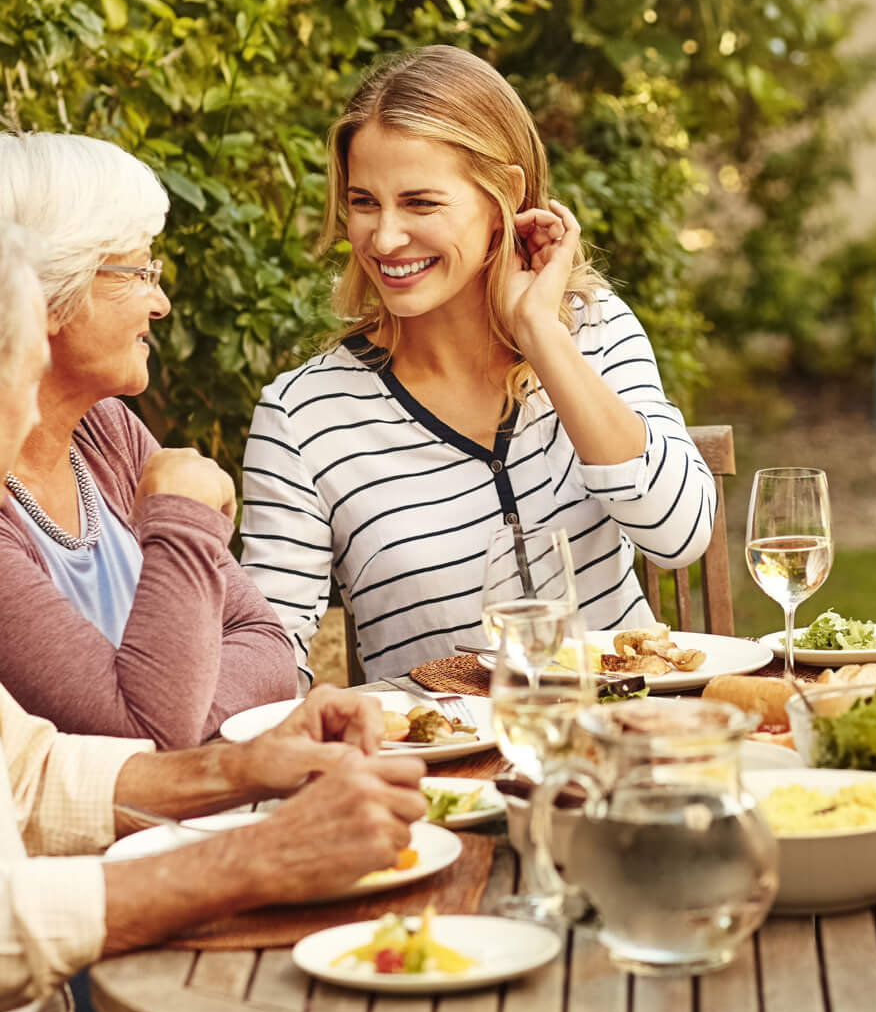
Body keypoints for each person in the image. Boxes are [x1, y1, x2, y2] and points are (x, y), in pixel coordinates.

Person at [0, 196, 425, 1012]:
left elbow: (26, 774)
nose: (36, 423)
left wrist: (247, 768)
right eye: (28, 382)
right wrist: (263, 857)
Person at [242, 46, 715, 685]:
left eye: (420, 203)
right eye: (363, 202)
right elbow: (267, 653)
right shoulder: (302, 418)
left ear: (504, 197)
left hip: (634, 743)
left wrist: (543, 338)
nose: (383, 239)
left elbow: (680, 533)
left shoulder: (593, 330)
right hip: (450, 772)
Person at [0, 132, 296, 747]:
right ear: (43, 292)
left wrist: (177, 715)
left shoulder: (105, 431)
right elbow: (140, 734)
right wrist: (183, 519)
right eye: (137, 271)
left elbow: (268, 645)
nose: (161, 302)